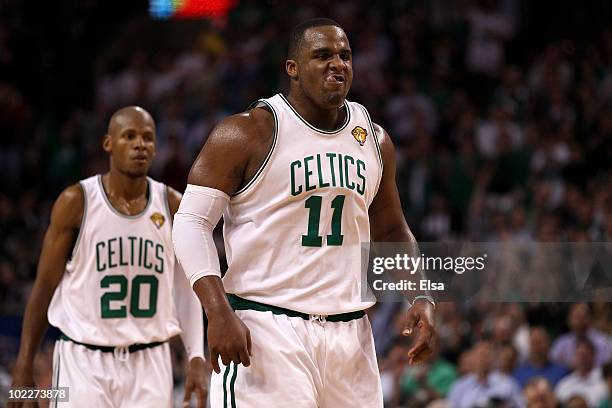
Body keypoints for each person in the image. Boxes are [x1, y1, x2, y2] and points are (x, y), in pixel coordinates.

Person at [172, 18, 436, 407]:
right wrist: (218, 310)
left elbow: (393, 229)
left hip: (351, 335)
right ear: (292, 68)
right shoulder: (248, 132)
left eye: (345, 55)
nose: (337, 64)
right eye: (322, 55)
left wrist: (421, 295)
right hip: (267, 329)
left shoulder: (374, 139)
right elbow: (192, 223)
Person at [10, 106, 207, 407]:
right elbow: (44, 287)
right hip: (84, 359)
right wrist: (24, 364)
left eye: (148, 138)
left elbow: (185, 287)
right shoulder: (76, 202)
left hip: (150, 359)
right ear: (108, 144)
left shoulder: (172, 205)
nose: (140, 144)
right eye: (129, 136)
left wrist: (195, 356)